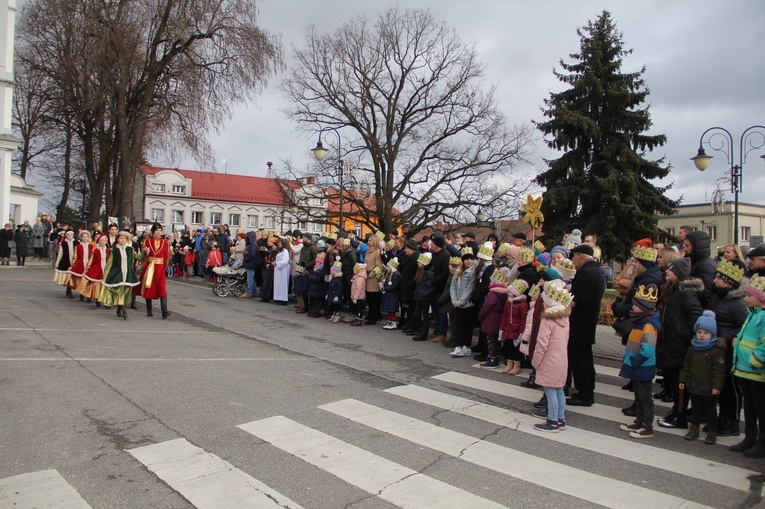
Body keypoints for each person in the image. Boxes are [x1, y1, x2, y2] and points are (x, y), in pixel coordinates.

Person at [655, 257, 704, 430]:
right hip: (672, 343)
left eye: (670, 269)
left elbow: (696, 313)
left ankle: (680, 416)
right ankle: (676, 411)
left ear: (679, 274)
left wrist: (684, 334)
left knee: (680, 382)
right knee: (676, 381)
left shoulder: (686, 292)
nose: (666, 271)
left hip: (679, 345)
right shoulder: (675, 289)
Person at [704, 258, 748, 436]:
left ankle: (733, 421)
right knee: (719, 386)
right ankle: (722, 417)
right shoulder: (717, 297)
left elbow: (743, 327)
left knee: (731, 387)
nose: (715, 281)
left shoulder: (738, 304)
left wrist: (726, 338)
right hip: (715, 349)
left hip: (729, 351)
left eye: (719, 278)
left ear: (729, 282)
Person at [619, 284, 661, 439]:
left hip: (642, 366)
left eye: (636, 305)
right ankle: (639, 420)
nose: (633, 307)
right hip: (637, 365)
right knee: (638, 395)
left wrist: (636, 361)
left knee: (645, 397)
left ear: (644, 308)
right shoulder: (640, 322)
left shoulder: (648, 325)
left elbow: (648, 348)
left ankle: (647, 426)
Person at [730, 274, 765, 458]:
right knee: (749, 407)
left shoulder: (763, 317)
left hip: (756, 371)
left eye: (749, 296)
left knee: (760, 408)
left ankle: (761, 442)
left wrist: (755, 359)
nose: (745, 299)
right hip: (744, 369)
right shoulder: (752, 314)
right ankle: (749, 437)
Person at [531, 280, 574, 432]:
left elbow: (542, 343)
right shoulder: (565, 318)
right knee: (559, 390)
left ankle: (552, 421)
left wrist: (536, 361)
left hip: (549, 359)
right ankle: (561, 418)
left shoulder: (547, 319)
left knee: (550, 392)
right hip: (562, 358)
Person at [566, 244, 605, 407]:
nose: (572, 259)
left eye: (574, 256)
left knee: (580, 360)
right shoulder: (594, 270)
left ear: (581, 256)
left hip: (581, 323)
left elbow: (580, 298)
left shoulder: (588, 272)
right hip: (586, 323)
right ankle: (586, 390)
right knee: (585, 358)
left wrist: (566, 301)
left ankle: (585, 394)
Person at [679, 310, 726, 444]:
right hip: (695, 385)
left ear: (712, 334)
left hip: (709, 388)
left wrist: (717, 386)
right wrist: (682, 380)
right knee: (695, 409)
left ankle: (712, 432)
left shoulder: (716, 350)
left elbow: (719, 371)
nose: (702, 335)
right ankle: (693, 429)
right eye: (699, 332)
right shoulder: (692, 348)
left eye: (705, 333)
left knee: (710, 411)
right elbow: (686, 365)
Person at [99, 231, 140, 319]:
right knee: (119, 291)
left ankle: (119, 309)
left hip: (128, 274)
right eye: (121, 238)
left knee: (125, 292)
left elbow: (138, 257)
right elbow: (109, 263)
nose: (123, 240)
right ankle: (124, 311)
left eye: (124, 238)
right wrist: (105, 275)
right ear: (117, 240)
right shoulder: (114, 250)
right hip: (117, 273)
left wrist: (145, 252)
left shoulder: (130, 249)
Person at [477, 268, 510, 368]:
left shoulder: (492, 293)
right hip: (500, 318)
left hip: (491, 318)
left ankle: (492, 359)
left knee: (490, 340)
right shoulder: (506, 293)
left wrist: (480, 316)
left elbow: (486, 307)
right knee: (497, 340)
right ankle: (496, 357)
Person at [139, 222, 172, 319]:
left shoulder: (165, 243)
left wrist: (165, 268)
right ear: (153, 231)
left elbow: (167, 256)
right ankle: (149, 310)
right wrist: (145, 253)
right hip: (150, 266)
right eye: (157, 230)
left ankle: (164, 311)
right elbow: (143, 256)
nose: (159, 232)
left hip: (160, 267)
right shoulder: (147, 242)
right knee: (149, 286)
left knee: (162, 287)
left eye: (160, 230)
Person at [499, 278, 530, 374]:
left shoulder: (522, 305)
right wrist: (501, 329)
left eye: (510, 292)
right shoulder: (508, 302)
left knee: (516, 349)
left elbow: (523, 319)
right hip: (508, 328)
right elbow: (504, 316)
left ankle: (517, 365)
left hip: (516, 330)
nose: (508, 293)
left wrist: (521, 332)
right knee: (508, 347)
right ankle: (509, 364)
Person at [449, 247, 475, 355]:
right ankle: (458, 346)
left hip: (467, 304)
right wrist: (454, 300)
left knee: (467, 326)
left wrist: (461, 301)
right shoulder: (458, 271)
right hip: (457, 304)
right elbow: (453, 287)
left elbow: (470, 288)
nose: (469, 261)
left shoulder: (473, 272)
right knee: (458, 325)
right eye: (466, 259)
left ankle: (466, 345)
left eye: (471, 259)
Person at [77, 234, 109, 306]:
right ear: (99, 242)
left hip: (106, 269)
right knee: (97, 285)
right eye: (102, 240)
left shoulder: (108, 250)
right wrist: (86, 270)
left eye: (104, 240)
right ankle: (97, 298)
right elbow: (91, 261)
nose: (103, 242)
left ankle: (106, 300)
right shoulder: (96, 251)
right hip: (98, 269)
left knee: (106, 285)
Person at [411, 252, 435, 341]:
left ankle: (423, 334)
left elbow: (432, 287)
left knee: (424, 317)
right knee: (417, 315)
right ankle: (419, 331)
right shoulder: (420, 271)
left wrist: (424, 294)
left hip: (425, 298)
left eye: (420, 262)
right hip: (418, 297)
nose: (418, 263)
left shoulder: (429, 273)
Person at [54, 230, 77, 298]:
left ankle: (69, 289)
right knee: (67, 276)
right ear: (66, 235)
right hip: (66, 261)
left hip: (74, 261)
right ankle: (69, 290)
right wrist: (57, 263)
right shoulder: (63, 243)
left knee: (73, 276)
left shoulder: (76, 242)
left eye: (71, 234)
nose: (70, 236)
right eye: (68, 235)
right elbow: (60, 254)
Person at [380, 257, 401, 330]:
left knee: (392, 310)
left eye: (388, 267)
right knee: (389, 310)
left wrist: (386, 288)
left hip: (393, 296)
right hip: (388, 295)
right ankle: (389, 321)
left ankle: (393, 322)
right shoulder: (389, 275)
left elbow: (394, 286)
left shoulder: (395, 276)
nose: (387, 268)